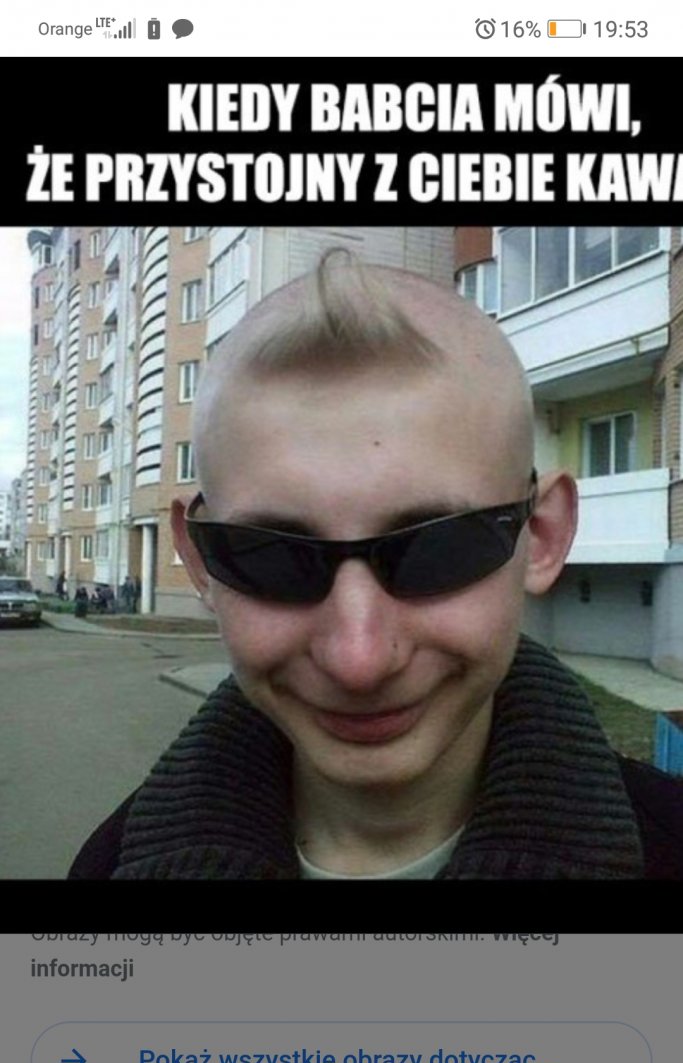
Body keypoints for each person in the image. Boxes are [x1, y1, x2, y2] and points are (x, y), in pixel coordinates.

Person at [68, 251, 683, 880]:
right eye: (272, 556)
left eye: (437, 549)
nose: (358, 661)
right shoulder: (109, 866)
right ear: (200, 560)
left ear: (543, 535)